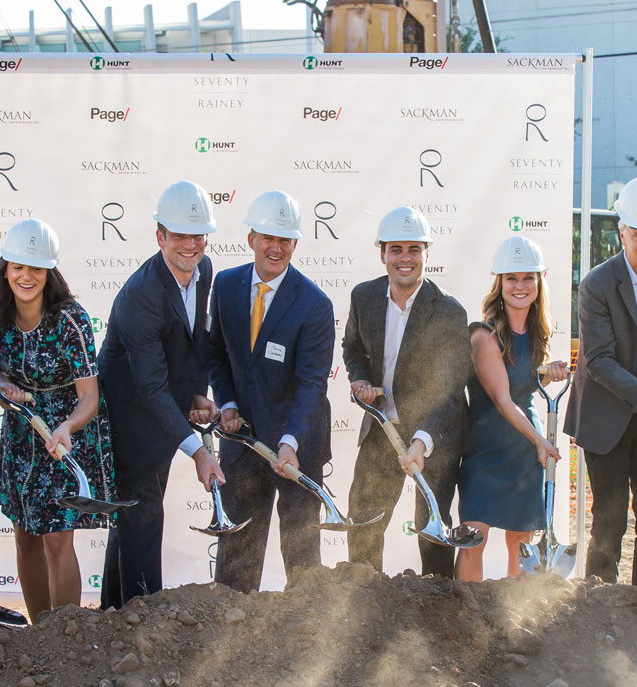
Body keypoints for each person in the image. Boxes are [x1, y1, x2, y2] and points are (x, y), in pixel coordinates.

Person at [97, 180, 225, 608]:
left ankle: (115, 613)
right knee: (143, 516)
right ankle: (140, 620)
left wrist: (196, 394)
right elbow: (149, 386)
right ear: (159, 237)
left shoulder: (203, 270)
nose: (190, 245)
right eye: (179, 236)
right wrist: (199, 452)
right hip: (128, 418)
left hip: (163, 412)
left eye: (197, 235)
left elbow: (192, 343)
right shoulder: (141, 295)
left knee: (133, 518)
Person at [0, 218, 117, 619]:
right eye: (18, 267)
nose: (26, 276)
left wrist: (66, 428)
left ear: (49, 272)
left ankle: (66, 634)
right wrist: (3, 385)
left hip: (66, 433)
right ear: (5, 268)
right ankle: (41, 633)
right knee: (25, 536)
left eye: (36, 268)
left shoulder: (69, 318)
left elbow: (90, 396)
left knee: (57, 539)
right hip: (22, 431)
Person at [207, 191, 336, 593]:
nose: (275, 248)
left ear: (295, 244)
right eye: (268, 238)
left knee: (301, 554)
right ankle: (230, 632)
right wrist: (227, 403)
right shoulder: (225, 286)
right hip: (242, 440)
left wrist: (290, 441)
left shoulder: (314, 304)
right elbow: (217, 355)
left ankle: (305, 637)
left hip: (297, 444)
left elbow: (311, 384)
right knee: (238, 550)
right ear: (251, 239)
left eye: (285, 240)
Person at [563, 176, 637, 597]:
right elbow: (598, 360)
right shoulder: (597, 284)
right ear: (622, 234)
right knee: (610, 517)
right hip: (606, 416)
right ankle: (600, 609)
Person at [344, 206, 471, 578]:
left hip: (432, 436)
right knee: (364, 524)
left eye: (414, 249)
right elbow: (352, 346)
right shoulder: (364, 297)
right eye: (396, 248)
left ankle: (435, 617)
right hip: (382, 429)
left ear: (426, 254)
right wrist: (361, 379)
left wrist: (421, 442)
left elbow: (449, 391)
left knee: (432, 532)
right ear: (382, 253)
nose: (405, 258)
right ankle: (363, 608)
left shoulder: (449, 312)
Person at [455, 236, 568, 581]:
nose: (520, 286)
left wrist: (549, 374)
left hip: (523, 451)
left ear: (539, 280)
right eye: (511, 278)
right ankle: (468, 617)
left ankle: (512, 618)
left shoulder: (537, 333)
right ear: (499, 283)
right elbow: (502, 399)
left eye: (527, 278)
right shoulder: (483, 336)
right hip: (486, 451)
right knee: (473, 539)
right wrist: (540, 441)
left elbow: (521, 384)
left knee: (521, 542)